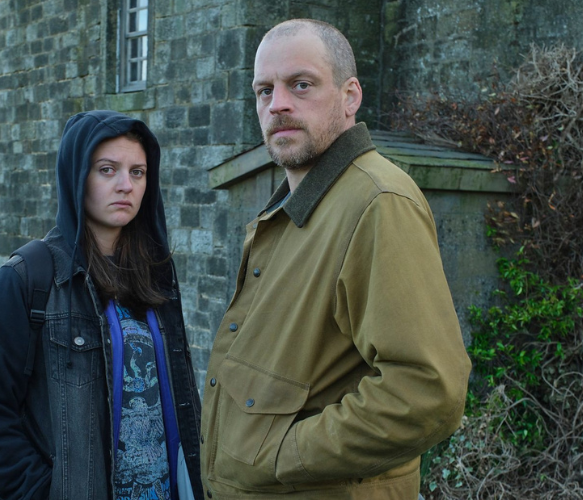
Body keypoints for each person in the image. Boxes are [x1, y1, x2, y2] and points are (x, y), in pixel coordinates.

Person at [199, 19, 472, 499]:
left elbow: (427, 391)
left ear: (350, 97)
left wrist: (282, 454)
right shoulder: (294, 205)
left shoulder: (377, 201)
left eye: (301, 85)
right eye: (264, 91)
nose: (277, 104)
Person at [0, 110, 203, 500]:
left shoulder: (156, 275)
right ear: (77, 176)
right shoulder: (27, 278)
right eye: (107, 170)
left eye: (137, 172)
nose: (126, 185)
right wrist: (47, 492)